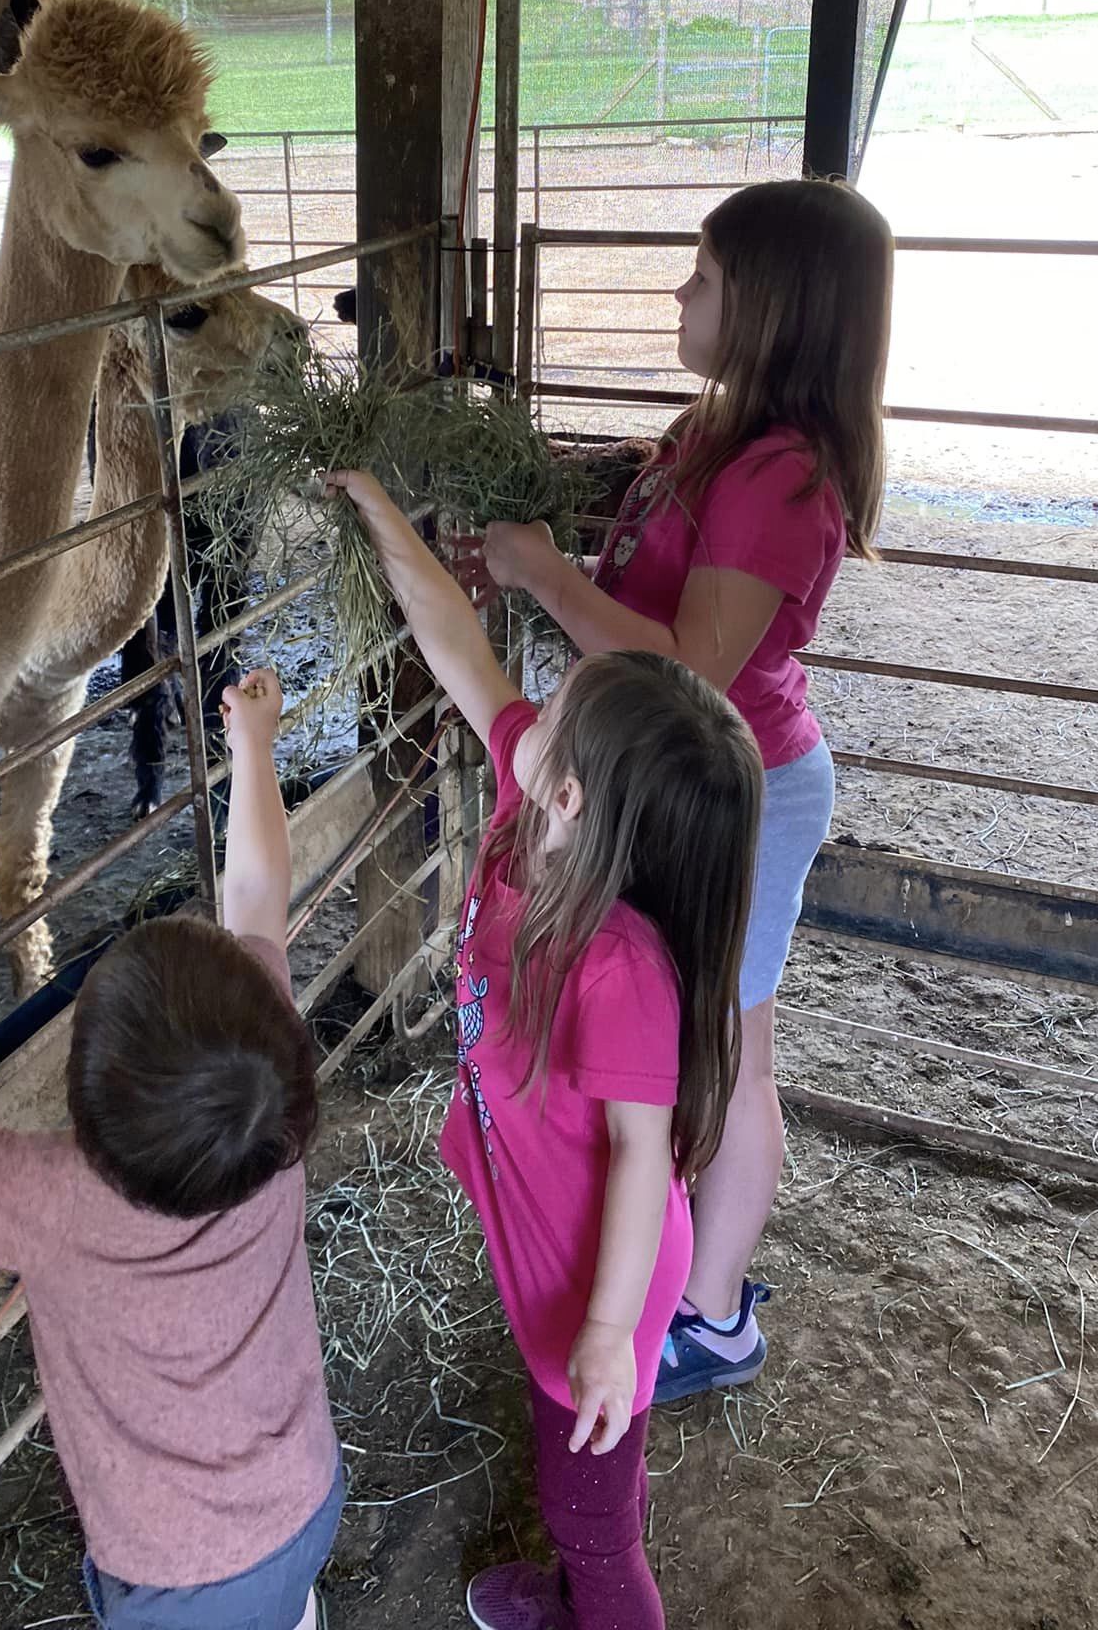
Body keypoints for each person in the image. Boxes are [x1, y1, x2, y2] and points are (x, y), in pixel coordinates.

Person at [459, 177, 893, 1404]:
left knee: (734, 1050)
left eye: (702, 275)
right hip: (663, 779)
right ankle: (670, 1279)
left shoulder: (785, 477)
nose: (679, 291)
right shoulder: (716, 431)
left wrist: (542, 574)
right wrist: (527, 553)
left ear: (770, 305)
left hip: (735, 787)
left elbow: (690, 664)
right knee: (681, 1039)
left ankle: (712, 1317)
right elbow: (644, 584)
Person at [330, 468, 762, 1630]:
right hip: (555, 1227)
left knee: (596, 1510)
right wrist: (381, 513)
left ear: (572, 790)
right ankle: (570, 1577)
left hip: (601, 1260)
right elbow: (462, 652)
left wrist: (616, 1334)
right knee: (570, 1443)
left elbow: (637, 1158)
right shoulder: (550, 815)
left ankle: (597, 1592)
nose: (529, 706)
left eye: (553, 702)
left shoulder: (621, 970)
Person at [0, 669, 343, 1630]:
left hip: (174, 1580)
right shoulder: (269, 1111)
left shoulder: (60, 1194)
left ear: (83, 1115)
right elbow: (261, 901)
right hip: (307, 1496)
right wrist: (256, 750)